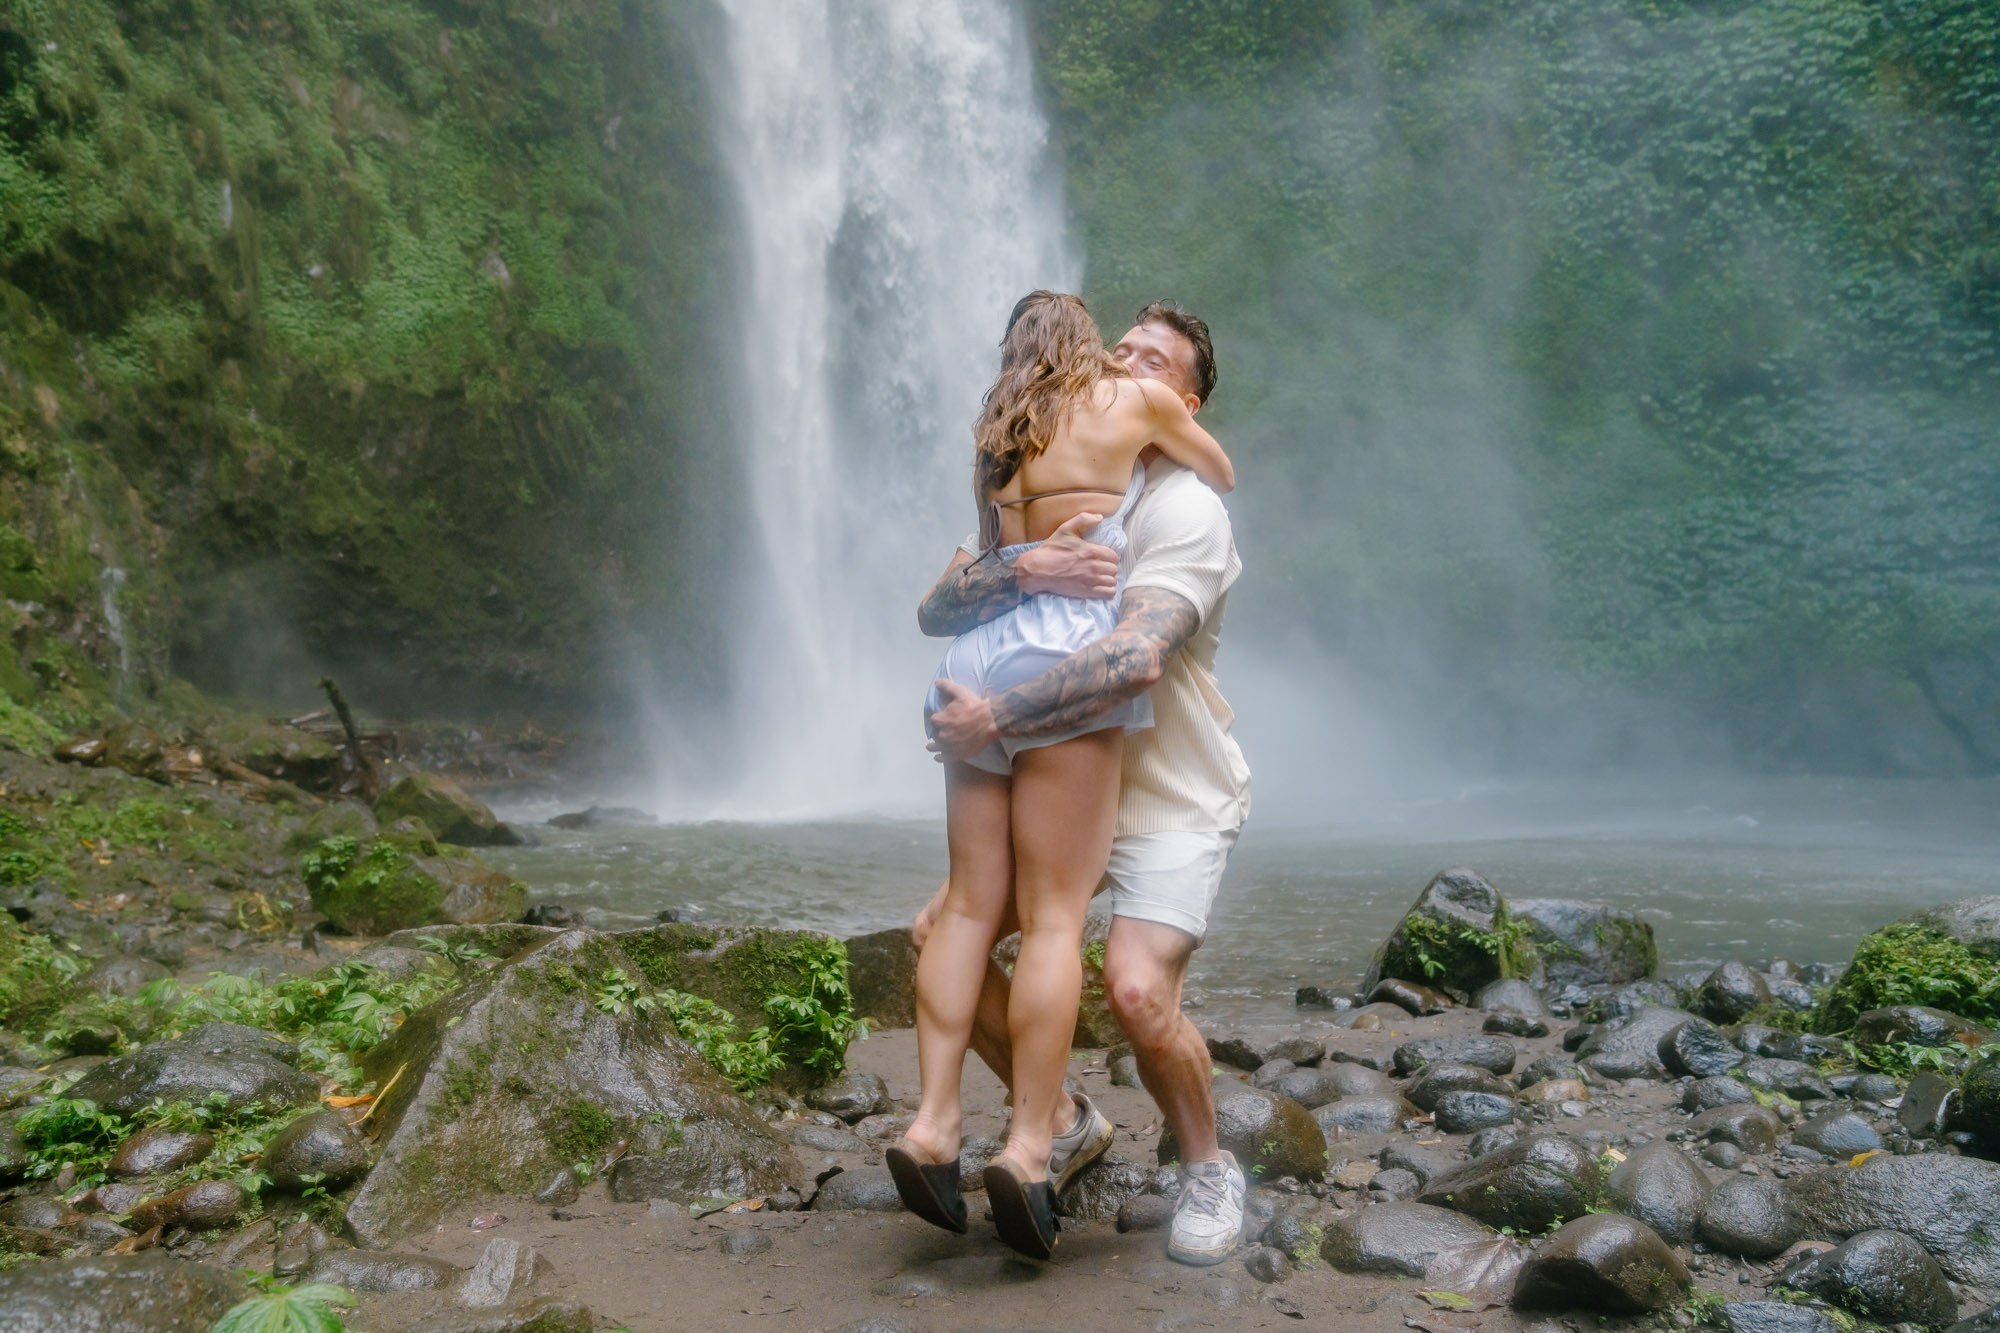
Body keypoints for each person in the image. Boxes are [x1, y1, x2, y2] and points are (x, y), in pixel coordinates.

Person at [887, 292, 1234, 1261]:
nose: (1128, 365)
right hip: (1055, 709)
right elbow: (939, 599)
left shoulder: (1153, 496)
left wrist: (989, 695)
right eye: (1117, 348)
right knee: (1042, 921)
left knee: (1076, 964)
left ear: (1191, 396)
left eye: (1152, 359)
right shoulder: (1115, 430)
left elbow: (1135, 657)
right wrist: (1035, 565)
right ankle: (1039, 1138)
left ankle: (946, 1120)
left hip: (1127, 767)